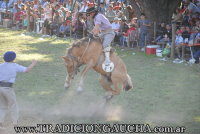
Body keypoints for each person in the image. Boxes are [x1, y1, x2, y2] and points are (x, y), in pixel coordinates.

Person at [0, 51, 37, 129]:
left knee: (2, 106)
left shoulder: (1, 66)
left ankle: (0, 122)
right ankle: (15, 123)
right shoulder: (14, 66)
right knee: (13, 105)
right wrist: (33, 64)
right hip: (8, 88)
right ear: (13, 59)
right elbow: (27, 70)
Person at [86, 7, 115, 72]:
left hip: (109, 32)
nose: (89, 15)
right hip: (103, 33)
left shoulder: (98, 16)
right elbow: (95, 28)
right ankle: (99, 59)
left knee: (104, 45)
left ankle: (108, 61)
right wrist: (91, 33)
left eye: (89, 14)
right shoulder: (96, 18)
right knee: (96, 44)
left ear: (93, 13)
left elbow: (97, 28)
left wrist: (92, 34)